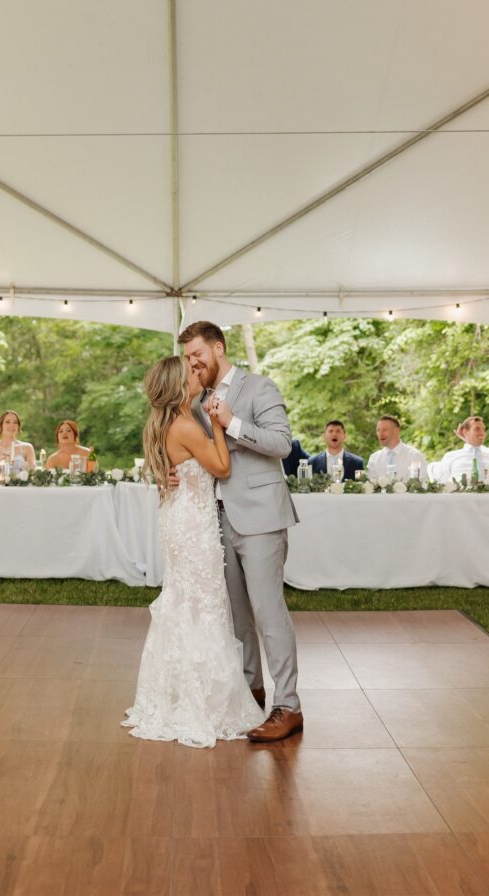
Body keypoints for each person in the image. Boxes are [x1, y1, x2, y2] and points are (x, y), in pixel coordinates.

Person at [122, 355, 264, 748]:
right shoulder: (185, 424)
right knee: (202, 605)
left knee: (187, 602)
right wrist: (219, 423)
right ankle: (204, 703)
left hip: (181, 518)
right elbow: (221, 467)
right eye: (190, 372)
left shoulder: (174, 421)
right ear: (179, 386)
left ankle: (180, 695)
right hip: (192, 526)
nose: (197, 373)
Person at [178, 321, 302, 743]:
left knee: (268, 613)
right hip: (215, 518)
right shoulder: (196, 400)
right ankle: (252, 693)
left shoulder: (259, 387)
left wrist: (232, 422)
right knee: (236, 615)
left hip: (261, 517)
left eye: (198, 355)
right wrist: (172, 474)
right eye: (188, 358)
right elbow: (193, 451)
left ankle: (288, 705)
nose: (193, 364)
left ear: (218, 348)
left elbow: (282, 444)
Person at [437, 416, 489, 483]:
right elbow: (442, 483)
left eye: (483, 430)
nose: (482, 433)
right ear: (465, 432)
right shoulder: (451, 457)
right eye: (477, 429)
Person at [367, 415, 428, 482]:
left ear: (396, 431)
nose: (380, 434)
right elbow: (370, 485)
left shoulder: (415, 456)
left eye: (384, 430)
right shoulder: (374, 459)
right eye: (378, 430)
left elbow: (421, 484)